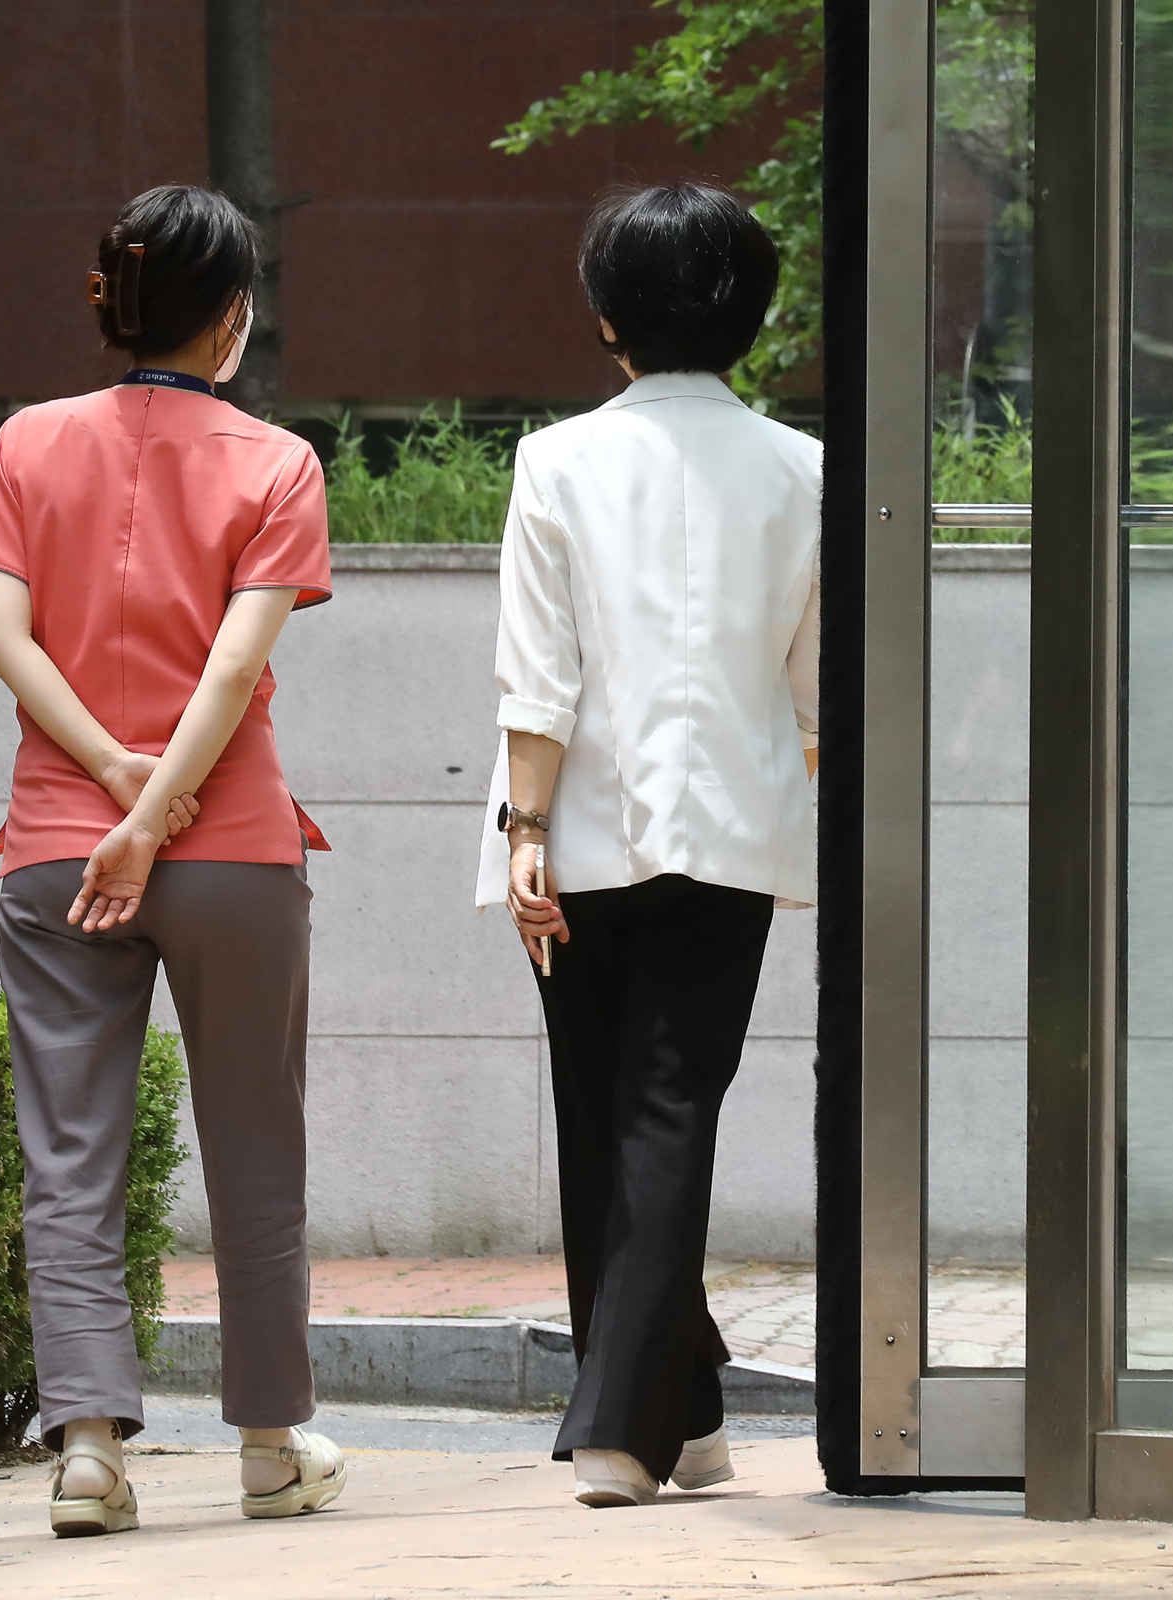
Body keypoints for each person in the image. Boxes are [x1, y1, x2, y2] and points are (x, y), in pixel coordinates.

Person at [0, 183, 346, 1538]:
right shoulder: (276, 462)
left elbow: (4, 636)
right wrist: (162, 804)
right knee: (254, 1146)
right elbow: (239, 665)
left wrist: (111, 785)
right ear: (233, 317)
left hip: (57, 851)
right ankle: (269, 1450)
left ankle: (86, 1450)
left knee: (69, 1153)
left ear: (115, 304)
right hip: (229, 843)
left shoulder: (23, 443)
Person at [474, 184, 821, 1508]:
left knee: (602, 1112)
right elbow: (814, 688)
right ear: (749, 313)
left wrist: (527, 828)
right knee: (669, 1106)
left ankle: (619, 1426)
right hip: (727, 837)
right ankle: (693, 1413)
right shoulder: (806, 469)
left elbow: (537, 677)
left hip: (572, 837)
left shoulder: (555, 461)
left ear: (606, 318)